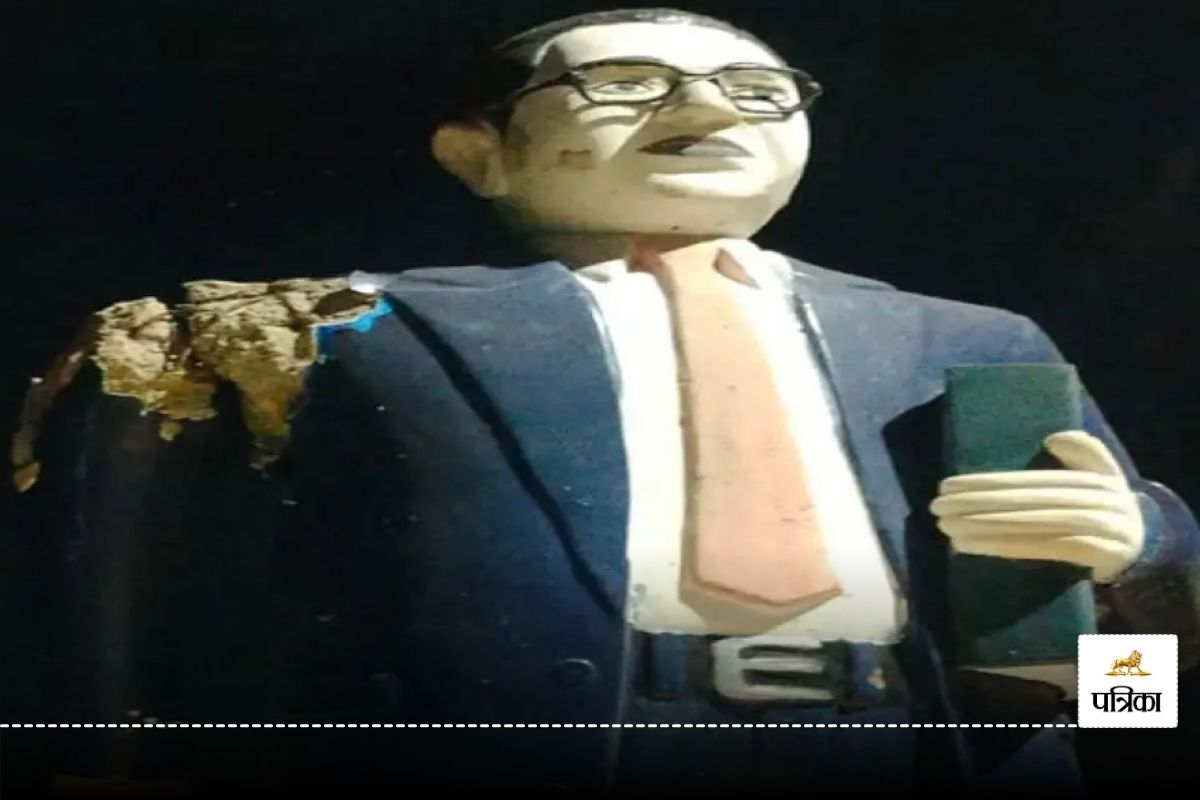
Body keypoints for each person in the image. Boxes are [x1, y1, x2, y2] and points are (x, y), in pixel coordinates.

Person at [12, 7, 1199, 795]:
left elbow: (1140, 688)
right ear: (477, 153)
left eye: (759, 89)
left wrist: (1138, 561)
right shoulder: (337, 329)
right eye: (625, 82)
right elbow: (127, 563)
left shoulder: (973, 344)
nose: (708, 107)